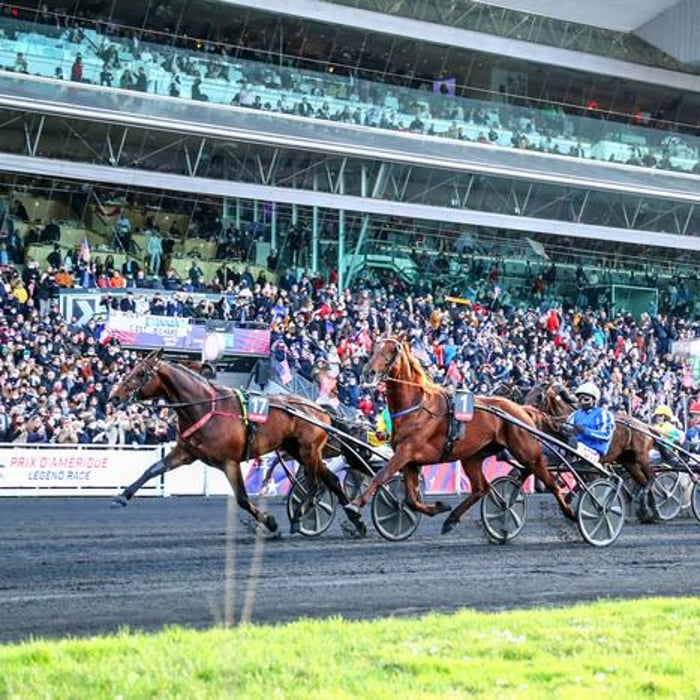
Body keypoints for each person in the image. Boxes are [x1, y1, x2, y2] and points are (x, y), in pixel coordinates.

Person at [561, 382, 615, 459]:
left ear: (594, 400)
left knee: (571, 447)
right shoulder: (574, 414)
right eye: (580, 399)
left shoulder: (602, 413)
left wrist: (584, 431)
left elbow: (606, 435)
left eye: (586, 399)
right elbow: (568, 430)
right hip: (574, 447)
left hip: (592, 451)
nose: (582, 402)